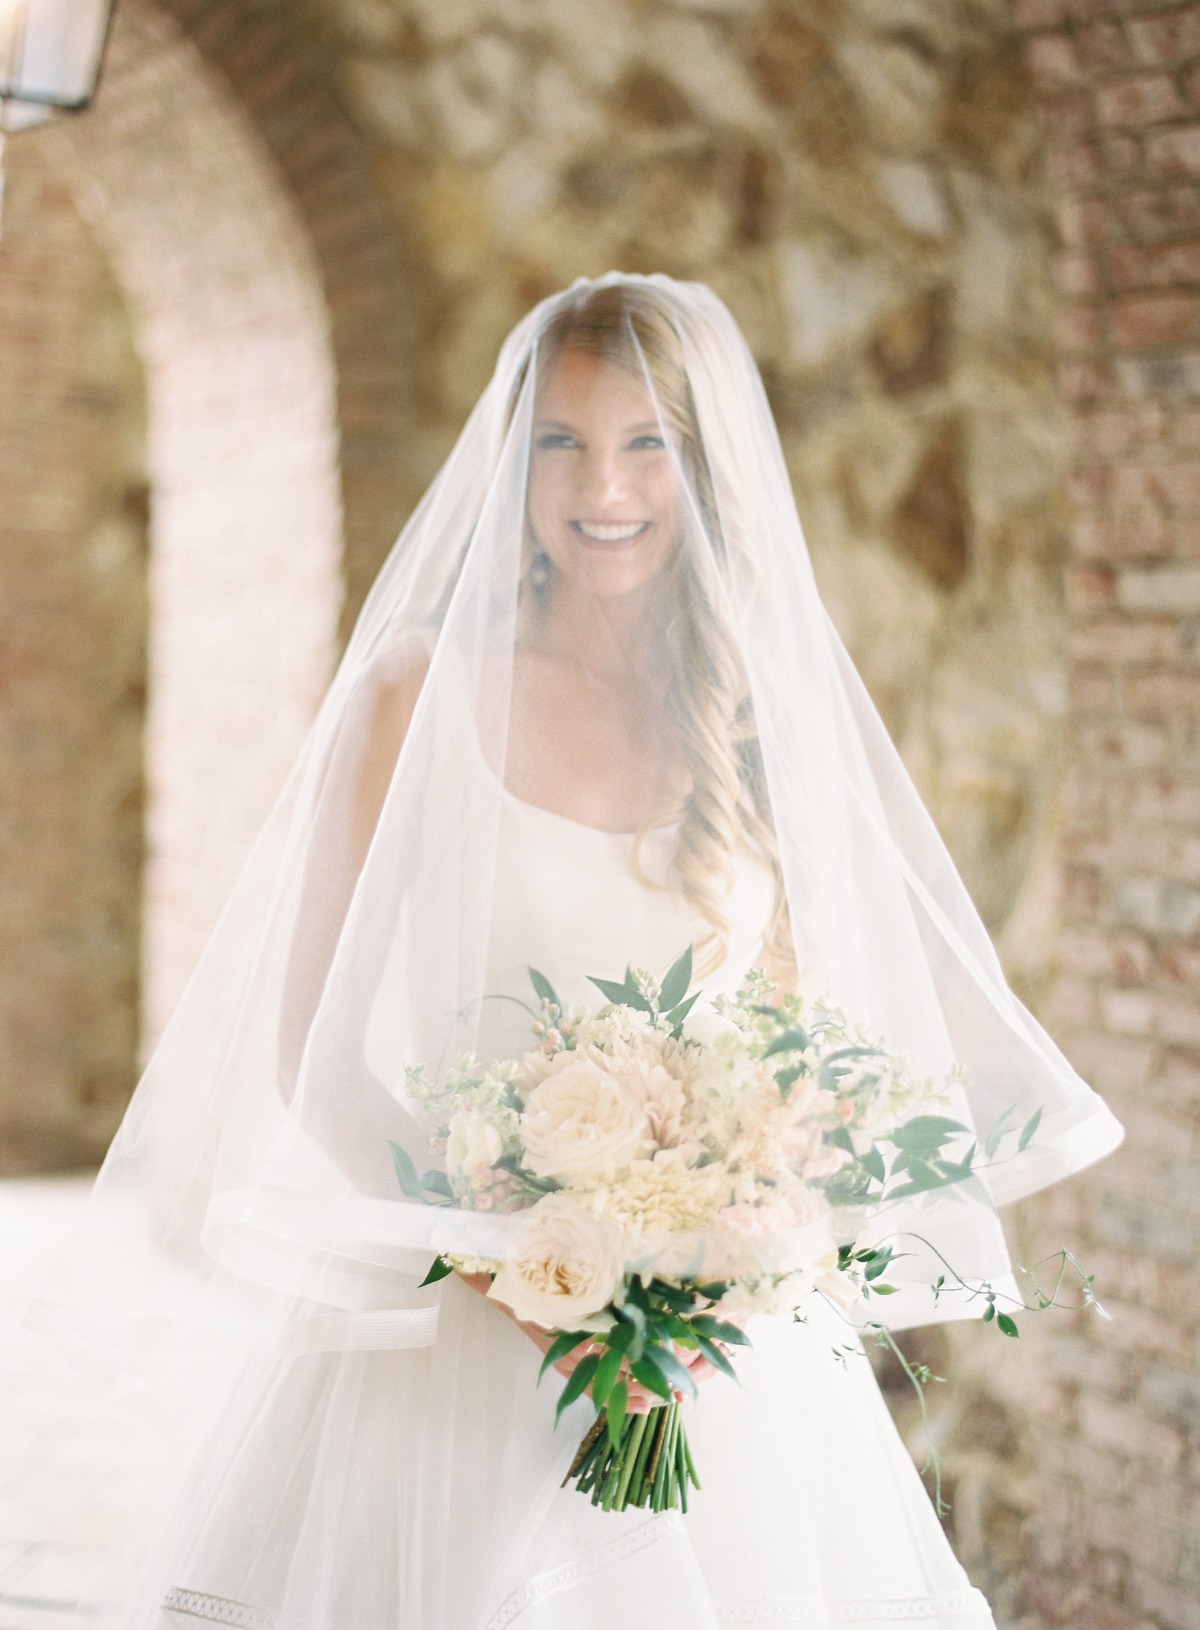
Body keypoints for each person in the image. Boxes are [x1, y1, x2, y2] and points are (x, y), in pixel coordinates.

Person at [18, 275, 1122, 1630]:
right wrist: (521, 1269)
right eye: (563, 441)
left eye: (646, 442)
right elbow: (313, 1043)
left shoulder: (760, 718)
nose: (605, 484)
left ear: (703, 468)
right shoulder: (417, 696)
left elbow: (806, 1053)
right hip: (461, 1333)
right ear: (515, 459)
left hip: (719, 1359)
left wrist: (748, 1218)